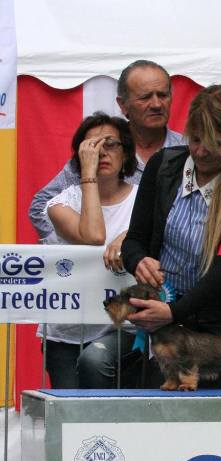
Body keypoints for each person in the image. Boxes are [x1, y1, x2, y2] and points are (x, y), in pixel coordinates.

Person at [122, 85, 221, 388]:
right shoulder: (162, 167)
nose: (200, 151)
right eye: (196, 139)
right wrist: (139, 261)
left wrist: (173, 311)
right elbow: (133, 241)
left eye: (215, 143)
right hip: (167, 326)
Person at [29, 60, 184, 244]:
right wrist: (71, 247)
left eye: (163, 95)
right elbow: (41, 206)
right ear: (123, 105)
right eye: (145, 97)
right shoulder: (97, 150)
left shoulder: (189, 151)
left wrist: (132, 240)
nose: (157, 104)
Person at [41, 113, 141, 388]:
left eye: (111, 144)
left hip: (125, 326)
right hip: (67, 332)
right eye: (92, 146)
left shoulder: (144, 199)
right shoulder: (60, 203)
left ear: (127, 152)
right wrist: (88, 175)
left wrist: (129, 236)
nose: (101, 152)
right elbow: (94, 236)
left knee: (98, 369)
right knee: (72, 417)